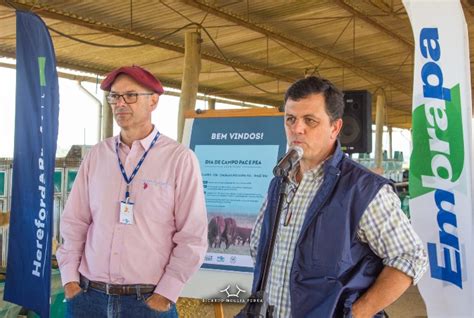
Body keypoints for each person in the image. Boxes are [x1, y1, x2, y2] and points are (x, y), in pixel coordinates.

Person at [249, 76, 427, 318]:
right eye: (290, 119)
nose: (297, 129)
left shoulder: (363, 189)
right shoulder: (279, 182)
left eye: (309, 120)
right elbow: (259, 249)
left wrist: (359, 312)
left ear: (335, 127)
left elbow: (411, 256)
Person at [56, 65, 208, 317]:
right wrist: (70, 281)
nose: (120, 103)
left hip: (147, 302)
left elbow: (192, 235)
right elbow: (75, 222)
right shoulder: (97, 155)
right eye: (114, 96)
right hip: (88, 298)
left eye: (131, 95)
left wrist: (166, 293)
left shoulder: (179, 159)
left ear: (154, 101)